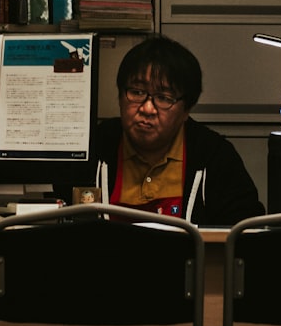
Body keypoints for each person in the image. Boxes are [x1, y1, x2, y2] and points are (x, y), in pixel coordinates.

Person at [91, 35, 265, 226]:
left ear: (186, 110)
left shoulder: (214, 156)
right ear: (120, 97)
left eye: (164, 97)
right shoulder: (94, 147)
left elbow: (246, 232)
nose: (147, 109)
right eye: (137, 92)